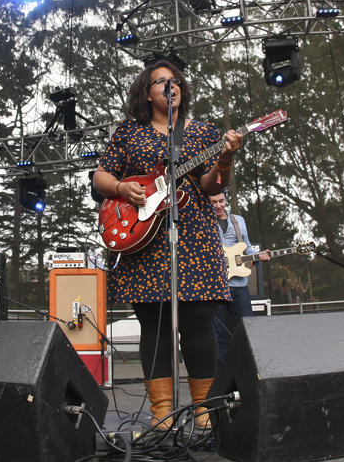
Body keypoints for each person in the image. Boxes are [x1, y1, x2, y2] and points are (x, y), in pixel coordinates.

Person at [92, 60, 243, 430]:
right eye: (160, 81)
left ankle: (204, 411)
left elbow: (212, 187)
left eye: (174, 81)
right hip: (145, 239)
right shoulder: (130, 132)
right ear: (147, 92)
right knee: (154, 324)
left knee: (199, 321)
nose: (169, 86)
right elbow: (100, 176)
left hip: (195, 234)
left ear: (182, 90)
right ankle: (161, 414)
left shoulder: (204, 132)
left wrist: (225, 157)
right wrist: (121, 187)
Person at [210, 191, 269, 366]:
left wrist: (258, 257)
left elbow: (247, 248)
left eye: (221, 201)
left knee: (248, 328)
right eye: (214, 202)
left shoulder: (239, 221)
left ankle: (252, 368)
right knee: (216, 334)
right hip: (215, 287)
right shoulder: (203, 221)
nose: (219, 205)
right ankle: (220, 377)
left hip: (238, 284)